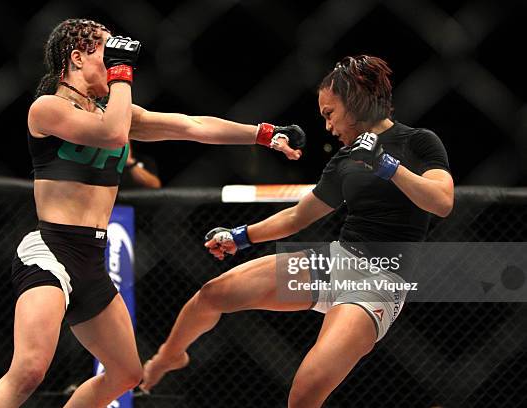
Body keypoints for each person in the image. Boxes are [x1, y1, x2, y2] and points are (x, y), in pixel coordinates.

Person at [0, 18, 305, 408]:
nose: (116, 62)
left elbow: (193, 125)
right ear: (77, 58)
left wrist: (263, 133)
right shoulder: (46, 108)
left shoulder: (115, 111)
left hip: (91, 259)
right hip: (52, 251)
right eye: (107, 53)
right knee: (30, 370)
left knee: (126, 374)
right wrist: (121, 73)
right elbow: (113, 134)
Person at [140, 55, 454, 407]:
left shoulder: (418, 142)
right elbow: (299, 216)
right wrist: (241, 236)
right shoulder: (347, 158)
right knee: (214, 292)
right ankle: (169, 355)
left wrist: (386, 164)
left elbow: (441, 201)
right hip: (337, 261)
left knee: (305, 391)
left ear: (355, 101)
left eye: (329, 113)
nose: (328, 126)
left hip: (378, 281)